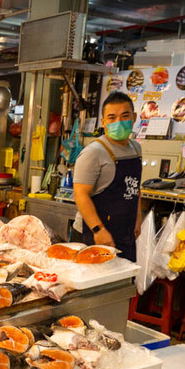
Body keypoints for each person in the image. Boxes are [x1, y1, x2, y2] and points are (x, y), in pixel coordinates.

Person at [72, 91, 143, 261]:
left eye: (125, 116)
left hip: (124, 233)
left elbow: (134, 188)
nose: (119, 122)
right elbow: (80, 194)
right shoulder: (94, 153)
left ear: (134, 117)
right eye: (112, 117)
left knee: (124, 277)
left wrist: (138, 217)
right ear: (103, 122)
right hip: (93, 234)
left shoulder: (136, 148)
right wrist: (98, 230)